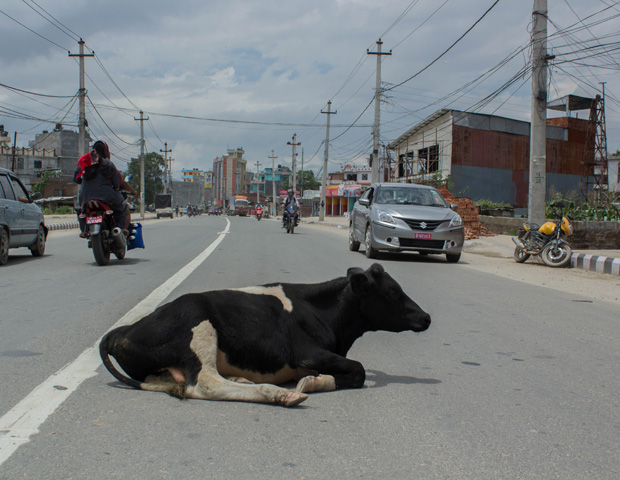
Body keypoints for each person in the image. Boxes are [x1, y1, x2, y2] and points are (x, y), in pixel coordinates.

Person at [74, 140, 135, 237]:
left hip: (85, 195)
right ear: (106, 152)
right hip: (107, 196)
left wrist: (85, 184)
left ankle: (84, 230)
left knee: (79, 209)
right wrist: (115, 188)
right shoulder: (109, 164)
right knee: (122, 206)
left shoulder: (84, 160)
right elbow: (116, 184)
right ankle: (120, 228)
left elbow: (76, 178)